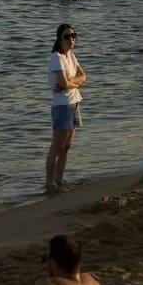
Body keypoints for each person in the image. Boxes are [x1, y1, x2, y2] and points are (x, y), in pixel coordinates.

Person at [47, 24, 86, 191]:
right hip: (62, 105)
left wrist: (71, 84)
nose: (71, 39)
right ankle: (50, 182)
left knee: (67, 146)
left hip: (75, 101)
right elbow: (63, 83)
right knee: (57, 146)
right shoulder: (57, 57)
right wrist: (70, 84)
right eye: (67, 36)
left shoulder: (70, 55)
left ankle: (60, 179)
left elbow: (83, 76)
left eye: (73, 36)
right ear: (59, 39)